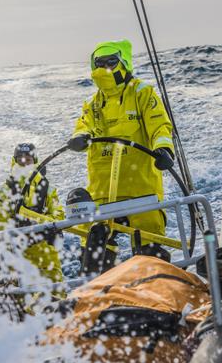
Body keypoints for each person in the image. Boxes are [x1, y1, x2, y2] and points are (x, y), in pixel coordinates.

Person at [67, 39, 176, 273]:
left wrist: (164, 150)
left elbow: (159, 127)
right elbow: (85, 125)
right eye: (100, 63)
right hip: (103, 192)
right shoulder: (92, 104)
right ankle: (99, 297)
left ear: (124, 64)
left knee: (151, 250)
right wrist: (79, 137)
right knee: (94, 250)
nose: (104, 68)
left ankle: (157, 293)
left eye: (111, 62)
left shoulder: (142, 93)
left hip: (141, 191)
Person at [0, 143, 65, 283]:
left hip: (45, 249)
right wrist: (15, 224)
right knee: (17, 295)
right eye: (20, 158)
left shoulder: (48, 190)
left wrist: (35, 222)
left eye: (28, 158)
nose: (24, 161)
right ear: (14, 161)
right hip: (16, 251)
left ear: (36, 161)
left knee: (54, 290)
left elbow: (59, 216)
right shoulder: (3, 191)